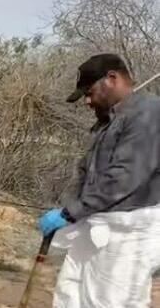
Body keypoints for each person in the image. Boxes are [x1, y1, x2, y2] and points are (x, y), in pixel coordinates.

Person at [38, 53, 160, 308]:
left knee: (110, 301)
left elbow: (123, 178)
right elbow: (87, 174)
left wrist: (71, 212)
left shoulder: (148, 113)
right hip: (98, 225)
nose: (87, 101)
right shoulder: (110, 122)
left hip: (129, 233)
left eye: (89, 92)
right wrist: (67, 210)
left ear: (112, 79)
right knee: (71, 294)